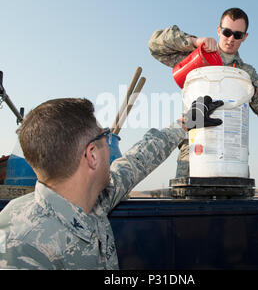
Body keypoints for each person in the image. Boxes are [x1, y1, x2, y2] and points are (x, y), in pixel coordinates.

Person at [0, 96, 223, 270]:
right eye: (104, 136)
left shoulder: (90, 201)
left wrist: (184, 123)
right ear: (92, 156)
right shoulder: (21, 248)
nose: (110, 143)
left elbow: (136, 161)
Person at [148, 7, 258, 178]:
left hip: (232, 152)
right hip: (195, 149)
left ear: (245, 37)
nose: (231, 39)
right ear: (219, 30)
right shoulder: (197, 55)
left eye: (237, 35)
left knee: (233, 204)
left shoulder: (246, 74)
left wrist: (253, 92)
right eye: (227, 32)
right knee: (188, 203)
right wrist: (194, 41)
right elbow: (154, 44)